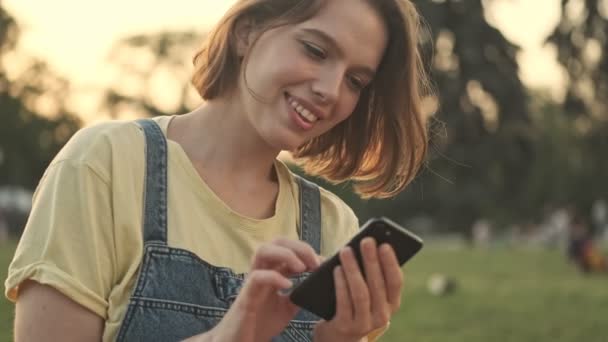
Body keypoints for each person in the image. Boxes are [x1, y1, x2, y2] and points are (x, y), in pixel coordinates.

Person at [5, 0, 430, 340]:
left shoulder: (334, 227)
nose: (330, 90)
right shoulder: (105, 163)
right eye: (316, 50)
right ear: (248, 32)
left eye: (356, 81)